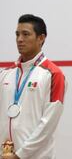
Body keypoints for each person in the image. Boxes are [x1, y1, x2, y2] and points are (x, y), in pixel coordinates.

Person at [0, 14, 67, 159]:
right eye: (17, 34)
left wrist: (20, 155)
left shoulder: (54, 74)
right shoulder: (6, 74)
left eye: (26, 34)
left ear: (41, 38)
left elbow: (48, 125)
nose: (19, 39)